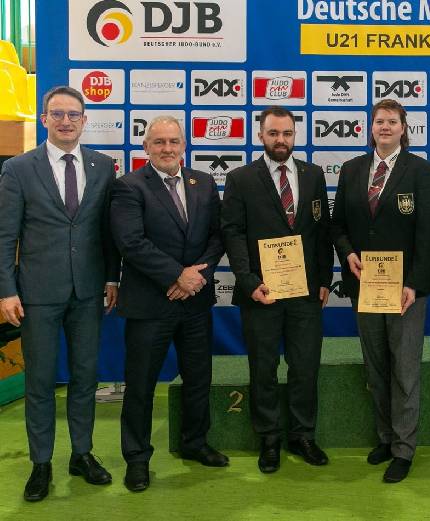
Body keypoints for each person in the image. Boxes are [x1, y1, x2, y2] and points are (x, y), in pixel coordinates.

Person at [0, 85, 119, 502]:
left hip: (88, 291)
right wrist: (6, 291)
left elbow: (107, 231)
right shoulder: (18, 168)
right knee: (39, 381)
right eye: (57, 114)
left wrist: (112, 278)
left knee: (85, 377)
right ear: (44, 119)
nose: (65, 121)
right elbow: (5, 235)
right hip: (37, 294)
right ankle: (41, 463)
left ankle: (81, 454)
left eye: (73, 114)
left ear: (84, 120)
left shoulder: (103, 167)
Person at [110, 116, 226, 492]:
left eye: (173, 141)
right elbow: (131, 242)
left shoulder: (203, 182)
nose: (167, 148)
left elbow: (217, 237)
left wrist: (196, 278)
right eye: (158, 142)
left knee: (198, 378)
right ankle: (137, 458)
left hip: (195, 302)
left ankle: (195, 442)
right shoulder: (129, 186)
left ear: (184, 146)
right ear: (145, 147)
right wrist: (177, 276)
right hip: (150, 306)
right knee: (141, 386)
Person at [331, 99, 430, 483]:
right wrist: (348, 254)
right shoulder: (352, 169)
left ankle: (404, 449)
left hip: (405, 290)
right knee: (376, 368)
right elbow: (338, 224)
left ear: (404, 128)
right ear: (370, 127)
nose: (386, 127)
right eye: (380, 121)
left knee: (405, 371)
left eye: (393, 121)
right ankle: (386, 437)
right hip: (366, 286)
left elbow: (429, 233)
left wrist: (415, 283)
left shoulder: (421, 171)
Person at [221, 106, 333, 473]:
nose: (280, 140)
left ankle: (303, 435)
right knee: (263, 368)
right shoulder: (240, 178)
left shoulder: (313, 175)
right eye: (273, 133)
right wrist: (249, 281)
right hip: (261, 292)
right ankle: (268, 438)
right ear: (261, 136)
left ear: (295, 135)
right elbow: (233, 233)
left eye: (286, 133)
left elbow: (321, 231)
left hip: (305, 293)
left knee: (305, 366)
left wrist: (323, 280)